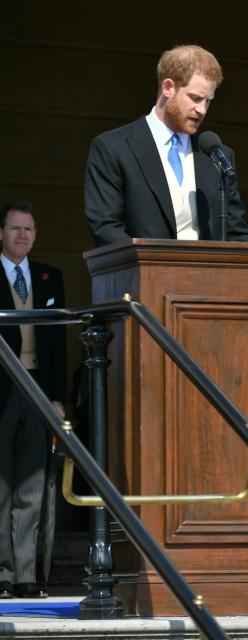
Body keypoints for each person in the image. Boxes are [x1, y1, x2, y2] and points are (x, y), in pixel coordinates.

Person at [84, 44, 248, 246]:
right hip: (144, 275)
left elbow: (238, 234)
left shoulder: (217, 157)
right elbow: (105, 228)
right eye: (195, 98)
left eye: (208, 101)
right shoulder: (113, 148)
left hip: (209, 276)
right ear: (167, 88)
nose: (202, 110)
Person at [0, 203, 66, 599]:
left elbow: (57, 344)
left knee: (32, 482)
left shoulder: (49, 277)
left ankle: (25, 573)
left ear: (35, 234)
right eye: (14, 228)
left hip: (38, 389)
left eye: (28, 229)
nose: (22, 235)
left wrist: (57, 398)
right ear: (1, 233)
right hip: (2, 389)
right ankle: (2, 573)